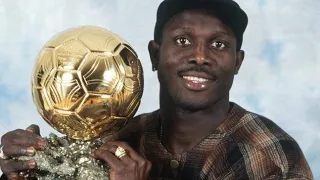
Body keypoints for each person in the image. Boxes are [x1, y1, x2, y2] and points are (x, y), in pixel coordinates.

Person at [0, 0, 314, 179]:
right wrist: (23, 170)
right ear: (153, 55)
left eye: (218, 44)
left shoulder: (271, 156)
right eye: (183, 40)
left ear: (237, 62)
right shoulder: (118, 141)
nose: (200, 56)